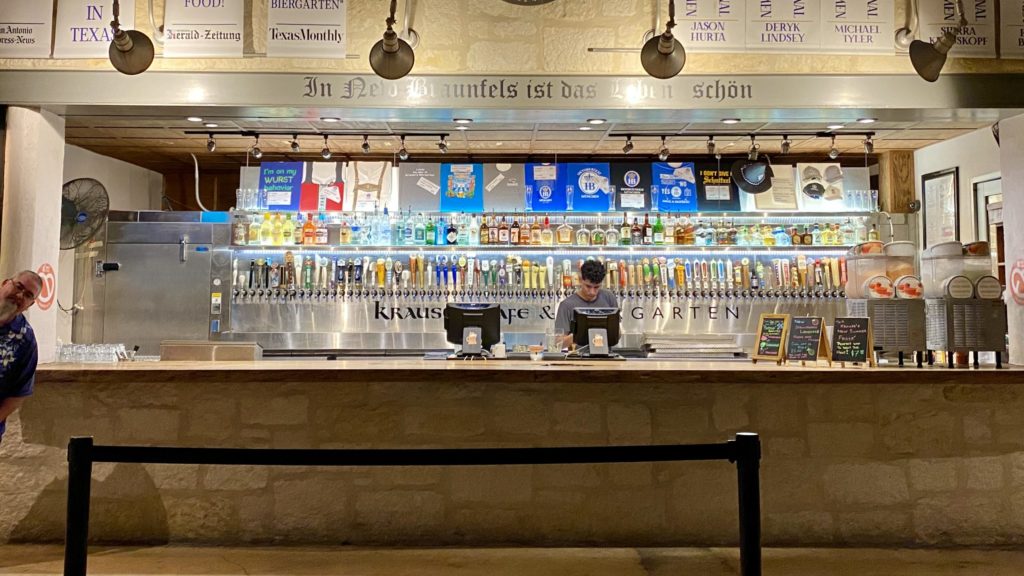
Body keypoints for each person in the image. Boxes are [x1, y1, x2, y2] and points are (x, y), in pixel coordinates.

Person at [0, 270, 42, 445]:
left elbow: (19, 393)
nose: (19, 295)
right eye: (18, 287)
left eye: (27, 295)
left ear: (30, 304)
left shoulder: (25, 339)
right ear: (5, 284)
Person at [554, 260, 618, 349]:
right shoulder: (566, 305)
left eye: (596, 287)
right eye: (588, 286)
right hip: (577, 359)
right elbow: (558, 344)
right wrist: (578, 335)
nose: (592, 292)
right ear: (580, 280)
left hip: (605, 357)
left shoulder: (609, 298)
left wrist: (616, 332)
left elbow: (617, 334)